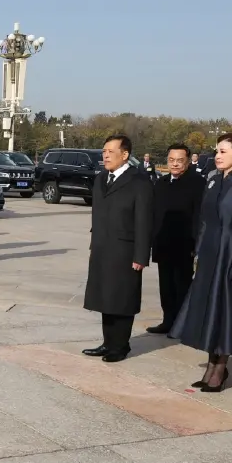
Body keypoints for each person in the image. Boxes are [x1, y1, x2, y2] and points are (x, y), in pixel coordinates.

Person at [171, 134, 232, 391]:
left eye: (224, 151)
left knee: (225, 312)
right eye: (217, 151)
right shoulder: (213, 180)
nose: (218, 156)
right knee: (208, 311)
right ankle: (211, 365)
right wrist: (199, 251)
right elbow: (204, 220)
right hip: (211, 253)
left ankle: (220, 368)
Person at [83, 134, 153, 363]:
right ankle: (108, 342)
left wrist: (141, 255)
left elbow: (144, 221)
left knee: (122, 298)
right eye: (104, 151)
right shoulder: (101, 178)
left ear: (125, 155)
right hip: (103, 246)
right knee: (106, 297)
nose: (105, 156)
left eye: (111, 152)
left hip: (126, 250)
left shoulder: (139, 181)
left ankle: (120, 346)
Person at [148, 143, 205, 334]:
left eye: (180, 160)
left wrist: (196, 243)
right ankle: (168, 321)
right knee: (165, 285)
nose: (175, 164)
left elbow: (199, 216)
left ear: (188, 161)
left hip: (184, 244)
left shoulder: (197, 183)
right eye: (171, 160)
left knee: (182, 285)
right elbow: (154, 214)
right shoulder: (161, 183)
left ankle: (183, 324)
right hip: (163, 243)